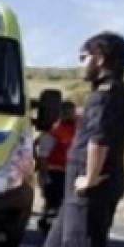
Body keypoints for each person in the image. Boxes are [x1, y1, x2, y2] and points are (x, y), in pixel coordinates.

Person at [38, 32, 124, 247]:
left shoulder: (107, 94)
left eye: (84, 57)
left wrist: (89, 179)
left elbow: (99, 139)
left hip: (89, 189)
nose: (81, 64)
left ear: (100, 58)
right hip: (76, 190)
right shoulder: (106, 93)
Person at [36, 100, 78, 237]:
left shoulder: (76, 128)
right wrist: (44, 175)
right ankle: (47, 227)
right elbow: (43, 156)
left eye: (71, 112)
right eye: (67, 112)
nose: (70, 115)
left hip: (70, 171)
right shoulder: (53, 132)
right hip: (54, 172)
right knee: (53, 202)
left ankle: (52, 225)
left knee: (64, 203)